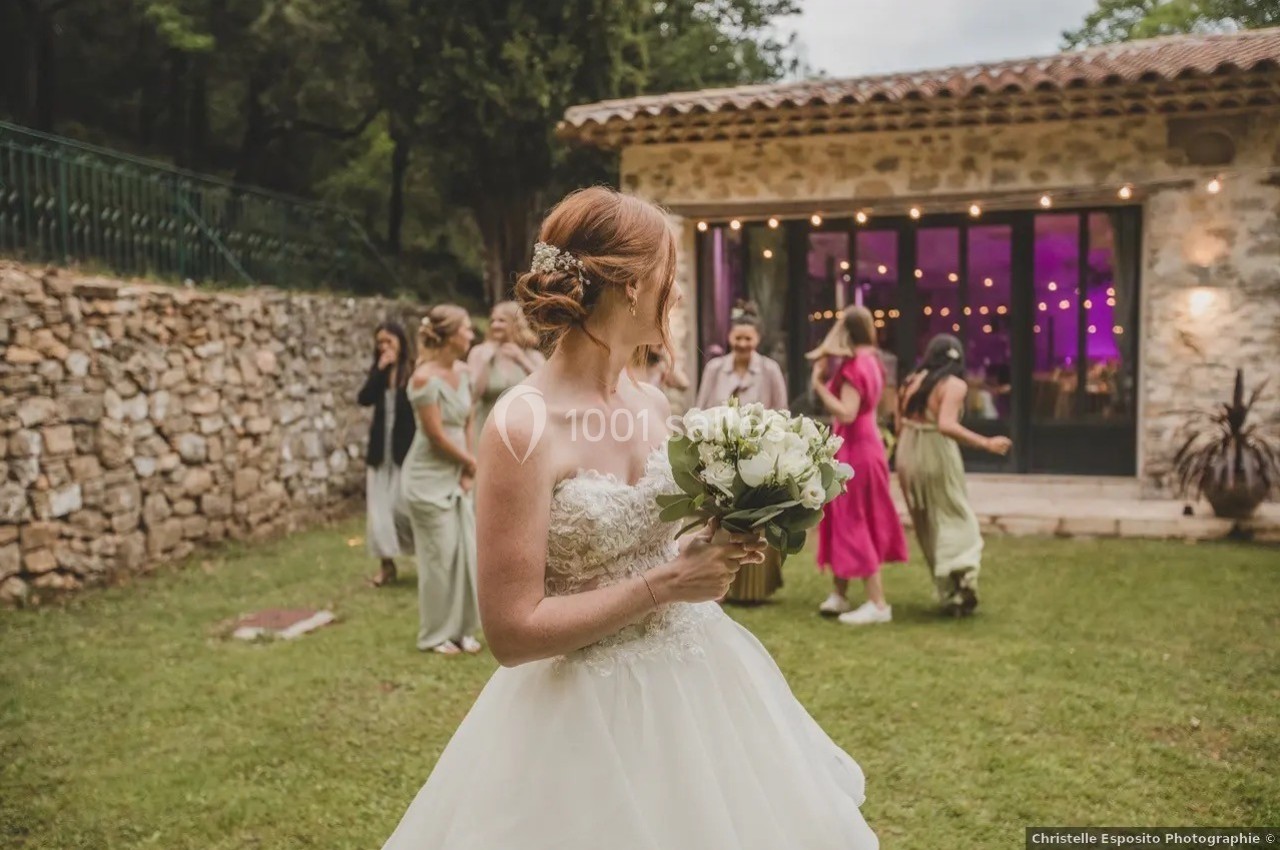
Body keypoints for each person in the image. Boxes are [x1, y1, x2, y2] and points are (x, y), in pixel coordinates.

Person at [380, 187, 879, 850]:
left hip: (701, 688)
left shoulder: (651, 405)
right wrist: (666, 584)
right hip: (583, 719)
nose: (674, 300)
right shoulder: (522, 426)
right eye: (670, 283)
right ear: (633, 287)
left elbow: (659, 539)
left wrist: (720, 539)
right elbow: (510, 632)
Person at [896, 334, 1012, 616]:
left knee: (927, 521)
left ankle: (949, 591)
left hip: (907, 453)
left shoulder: (912, 381)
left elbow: (899, 423)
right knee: (957, 515)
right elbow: (946, 425)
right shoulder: (954, 385)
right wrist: (986, 443)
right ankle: (961, 576)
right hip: (935, 450)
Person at [809, 306, 909, 624]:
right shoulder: (874, 361)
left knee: (853, 517)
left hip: (856, 447)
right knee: (844, 515)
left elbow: (847, 412)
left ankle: (878, 604)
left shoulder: (854, 367)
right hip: (868, 444)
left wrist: (821, 387)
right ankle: (840, 593)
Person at [694, 301, 789, 603]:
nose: (743, 344)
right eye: (739, 338)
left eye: (749, 338)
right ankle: (715, 584)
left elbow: (781, 411)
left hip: (757, 455)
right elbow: (700, 405)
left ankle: (752, 588)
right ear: (730, 338)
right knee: (716, 515)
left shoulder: (770, 370)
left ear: (757, 340)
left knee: (755, 518)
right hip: (719, 452)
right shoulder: (714, 369)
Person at [402, 305, 482, 655]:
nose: (471, 334)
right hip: (427, 478)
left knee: (465, 550)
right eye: (466, 328)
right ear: (449, 336)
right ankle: (435, 634)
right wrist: (470, 462)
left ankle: (463, 630)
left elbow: (467, 419)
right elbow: (434, 435)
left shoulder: (464, 373)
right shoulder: (424, 378)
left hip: (458, 473)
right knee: (440, 556)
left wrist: (467, 466)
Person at [357, 321, 417, 587]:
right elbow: (364, 398)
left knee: (404, 507)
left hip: (407, 451)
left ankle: (426, 559)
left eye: (389, 341)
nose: (384, 347)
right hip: (381, 451)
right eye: (380, 342)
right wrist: (380, 370)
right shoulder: (379, 373)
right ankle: (386, 566)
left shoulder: (414, 372)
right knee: (379, 512)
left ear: (401, 342)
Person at [467, 300, 545, 446]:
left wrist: (522, 360)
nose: (495, 325)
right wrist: (485, 361)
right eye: (493, 321)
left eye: (502, 321)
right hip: (486, 431)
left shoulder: (533, 357)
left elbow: (547, 391)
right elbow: (472, 395)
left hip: (523, 433)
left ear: (515, 323)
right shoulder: (478, 353)